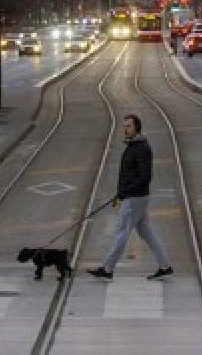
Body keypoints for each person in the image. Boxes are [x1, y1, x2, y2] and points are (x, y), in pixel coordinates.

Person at [87, 114, 173, 281]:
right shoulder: (134, 146)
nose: (125, 129)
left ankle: (107, 269)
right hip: (136, 197)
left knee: (121, 233)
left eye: (129, 126)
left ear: (137, 128)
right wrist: (120, 194)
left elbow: (145, 176)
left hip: (134, 199)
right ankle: (165, 266)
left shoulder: (140, 148)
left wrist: (125, 192)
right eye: (124, 126)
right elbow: (129, 174)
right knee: (147, 232)